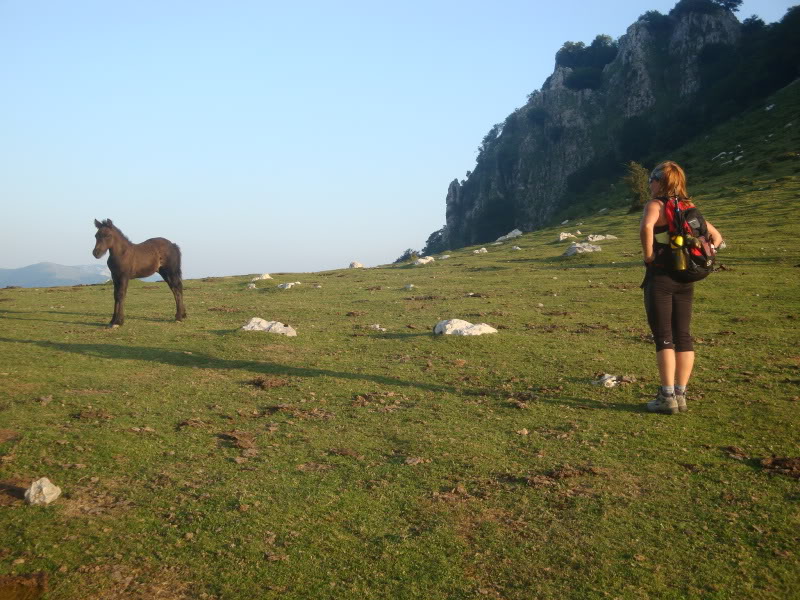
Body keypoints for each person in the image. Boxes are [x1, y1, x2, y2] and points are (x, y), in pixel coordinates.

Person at [639, 161, 723, 414]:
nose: (649, 185)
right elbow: (717, 237)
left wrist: (649, 255)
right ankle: (681, 394)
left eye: (651, 180)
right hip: (686, 279)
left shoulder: (656, 205)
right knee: (683, 336)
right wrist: (709, 252)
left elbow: (646, 227)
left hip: (661, 278)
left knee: (664, 337)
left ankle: (667, 397)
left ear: (659, 181)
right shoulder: (689, 207)